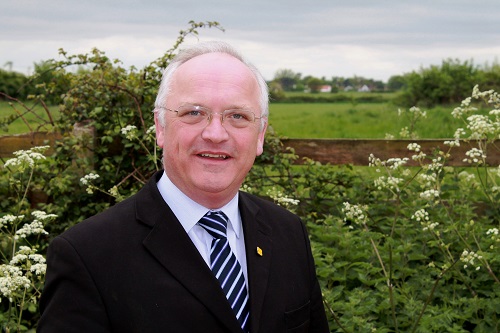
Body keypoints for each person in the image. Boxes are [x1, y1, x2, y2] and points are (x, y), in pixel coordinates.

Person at [38, 41, 329, 333]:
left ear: (260, 135)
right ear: (161, 127)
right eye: (194, 113)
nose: (215, 134)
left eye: (237, 116)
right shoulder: (87, 256)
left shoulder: (289, 233)